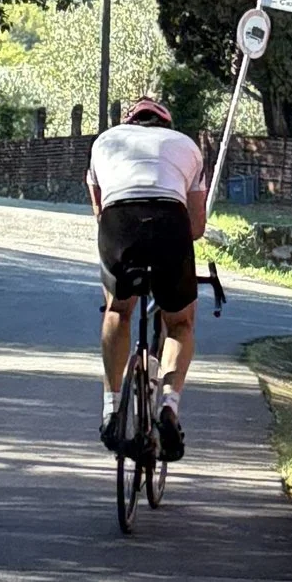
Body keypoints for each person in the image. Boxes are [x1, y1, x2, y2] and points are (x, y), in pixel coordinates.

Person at [87, 94, 209, 459]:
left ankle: (111, 408)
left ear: (130, 122)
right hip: (170, 222)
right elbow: (197, 227)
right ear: (165, 124)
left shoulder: (105, 142)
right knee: (180, 323)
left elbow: (100, 210)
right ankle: (168, 406)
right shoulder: (186, 146)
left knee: (118, 311)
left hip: (119, 224)